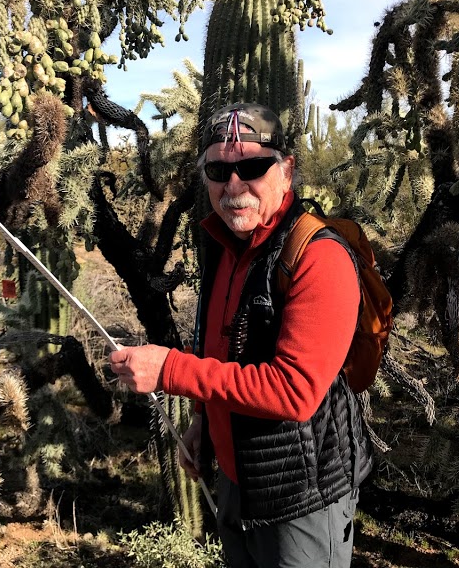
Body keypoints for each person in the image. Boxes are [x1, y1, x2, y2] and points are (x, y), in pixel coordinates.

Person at [109, 102, 371, 568]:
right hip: (238, 485)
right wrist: (204, 421)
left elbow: (295, 392)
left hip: (300, 502)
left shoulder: (319, 258)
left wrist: (170, 369)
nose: (233, 185)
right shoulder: (227, 245)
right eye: (217, 169)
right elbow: (224, 349)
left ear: (286, 170)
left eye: (251, 166)